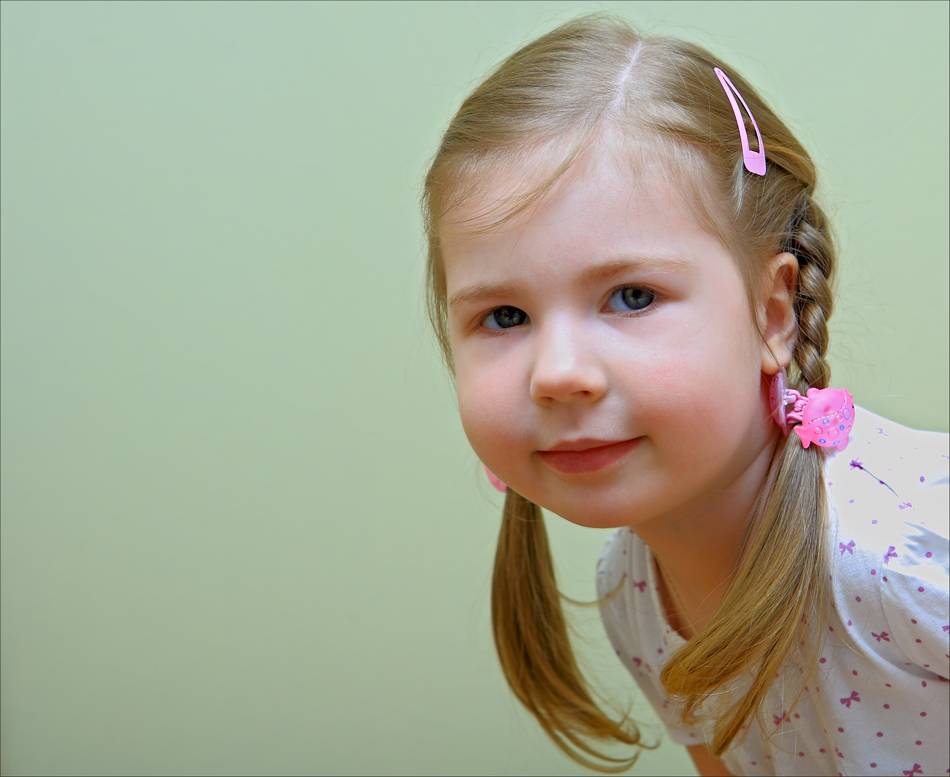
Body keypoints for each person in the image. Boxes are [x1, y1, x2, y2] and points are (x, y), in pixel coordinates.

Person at [420, 13, 949, 777]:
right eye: (505, 316)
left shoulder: (899, 561)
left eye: (632, 296)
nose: (558, 372)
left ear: (774, 316)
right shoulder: (633, 590)